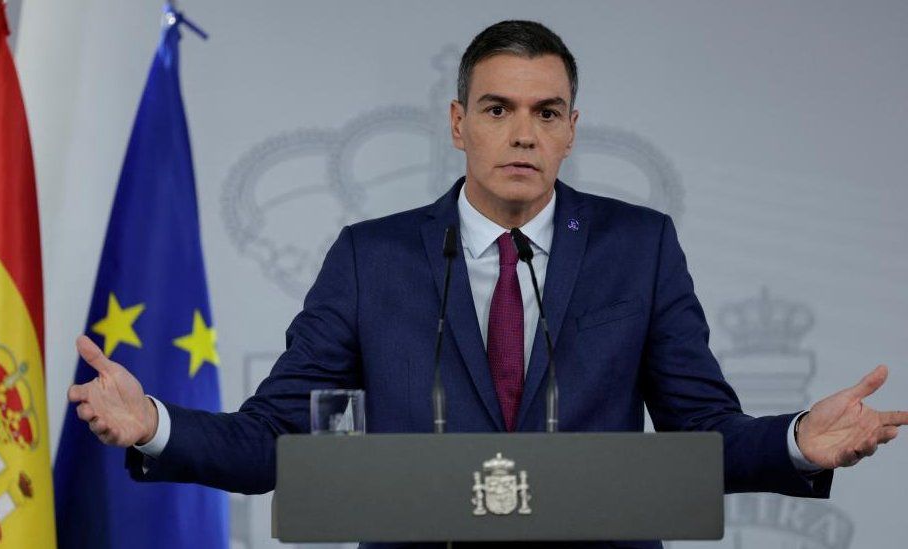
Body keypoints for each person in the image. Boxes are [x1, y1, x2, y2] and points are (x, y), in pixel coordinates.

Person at [68, 20, 906, 548]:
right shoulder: (373, 257)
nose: (522, 132)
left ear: (572, 131)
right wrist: (156, 424)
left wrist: (799, 438)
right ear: (457, 122)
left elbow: (702, 435)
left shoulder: (637, 247)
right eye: (498, 108)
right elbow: (273, 442)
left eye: (547, 112)